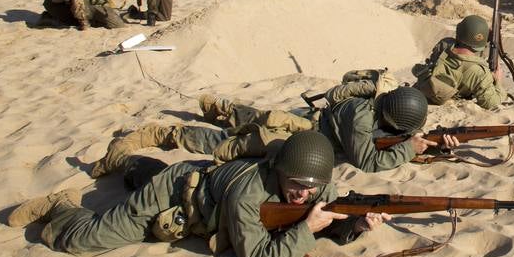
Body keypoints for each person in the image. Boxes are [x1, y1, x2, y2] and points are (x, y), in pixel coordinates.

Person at [8, 131, 386, 257]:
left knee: (145, 174)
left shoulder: (317, 182)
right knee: (84, 241)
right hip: (175, 193)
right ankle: (61, 206)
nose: (303, 194)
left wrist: (355, 224)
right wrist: (304, 230)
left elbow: (329, 217)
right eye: (295, 185)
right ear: (279, 170)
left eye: (312, 188)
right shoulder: (250, 195)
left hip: (205, 187)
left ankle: (136, 166)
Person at [90, 86, 458, 178]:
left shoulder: (373, 112)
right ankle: (162, 134)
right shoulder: (361, 117)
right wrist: (410, 149)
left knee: (254, 115)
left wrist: (429, 146)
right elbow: (365, 160)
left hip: (305, 126)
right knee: (227, 143)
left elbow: (383, 145)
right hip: (290, 137)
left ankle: (223, 108)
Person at [409, 15, 507, 110]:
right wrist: (498, 82)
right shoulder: (479, 72)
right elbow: (491, 103)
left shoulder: (444, 45)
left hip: (419, 92)